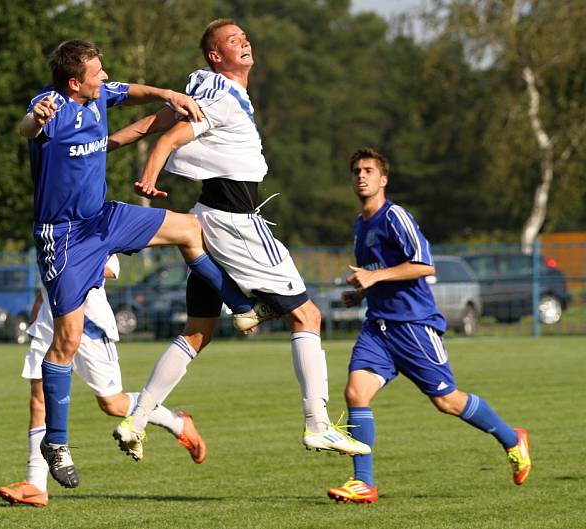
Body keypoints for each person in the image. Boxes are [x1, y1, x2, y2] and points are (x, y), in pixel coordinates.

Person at [107, 19, 370, 461]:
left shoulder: (208, 93)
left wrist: (96, 148)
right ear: (215, 56)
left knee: (196, 332)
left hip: (207, 217)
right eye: (233, 40)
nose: (244, 42)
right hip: (237, 223)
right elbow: (169, 137)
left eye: (244, 37)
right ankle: (317, 425)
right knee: (308, 317)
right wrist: (148, 178)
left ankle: (137, 418)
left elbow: (152, 123)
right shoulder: (224, 98)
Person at [21, 39, 268, 489]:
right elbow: (28, 126)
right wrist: (33, 121)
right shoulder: (51, 103)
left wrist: (168, 95)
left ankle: (240, 304)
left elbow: (131, 89)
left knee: (189, 230)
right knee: (67, 341)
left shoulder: (99, 93)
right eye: (97, 73)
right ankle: (55, 443)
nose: (104, 77)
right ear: (76, 82)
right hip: (64, 237)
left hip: (103, 219)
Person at [326, 148, 531, 504]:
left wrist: (374, 277)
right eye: (356, 170)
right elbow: (376, 273)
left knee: (447, 401)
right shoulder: (361, 224)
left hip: (414, 327)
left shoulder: (395, 217)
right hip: (379, 328)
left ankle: (513, 439)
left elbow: (424, 265)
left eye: (369, 170)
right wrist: (359, 294)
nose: (361, 175)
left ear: (383, 179)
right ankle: (363, 483)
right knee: (355, 393)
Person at [0, 256, 205, 507]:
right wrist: (38, 307)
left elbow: (110, 268)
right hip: (49, 322)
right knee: (38, 398)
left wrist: (67, 265)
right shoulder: (47, 229)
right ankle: (35, 485)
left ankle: (178, 424)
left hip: (88, 324)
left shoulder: (93, 225)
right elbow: (48, 279)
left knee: (112, 404)